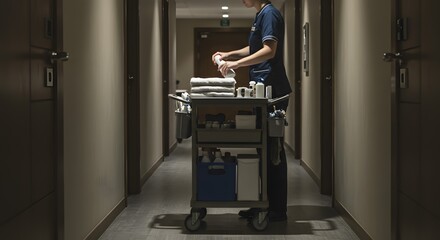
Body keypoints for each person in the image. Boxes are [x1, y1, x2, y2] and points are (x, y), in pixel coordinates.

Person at [211, 0, 292, 221]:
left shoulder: (270, 15)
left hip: (272, 92)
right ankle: (262, 202)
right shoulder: (260, 16)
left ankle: (276, 209)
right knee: (262, 150)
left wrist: (237, 64)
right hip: (262, 90)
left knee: (272, 152)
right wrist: (229, 54)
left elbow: (269, 51)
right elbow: (255, 48)